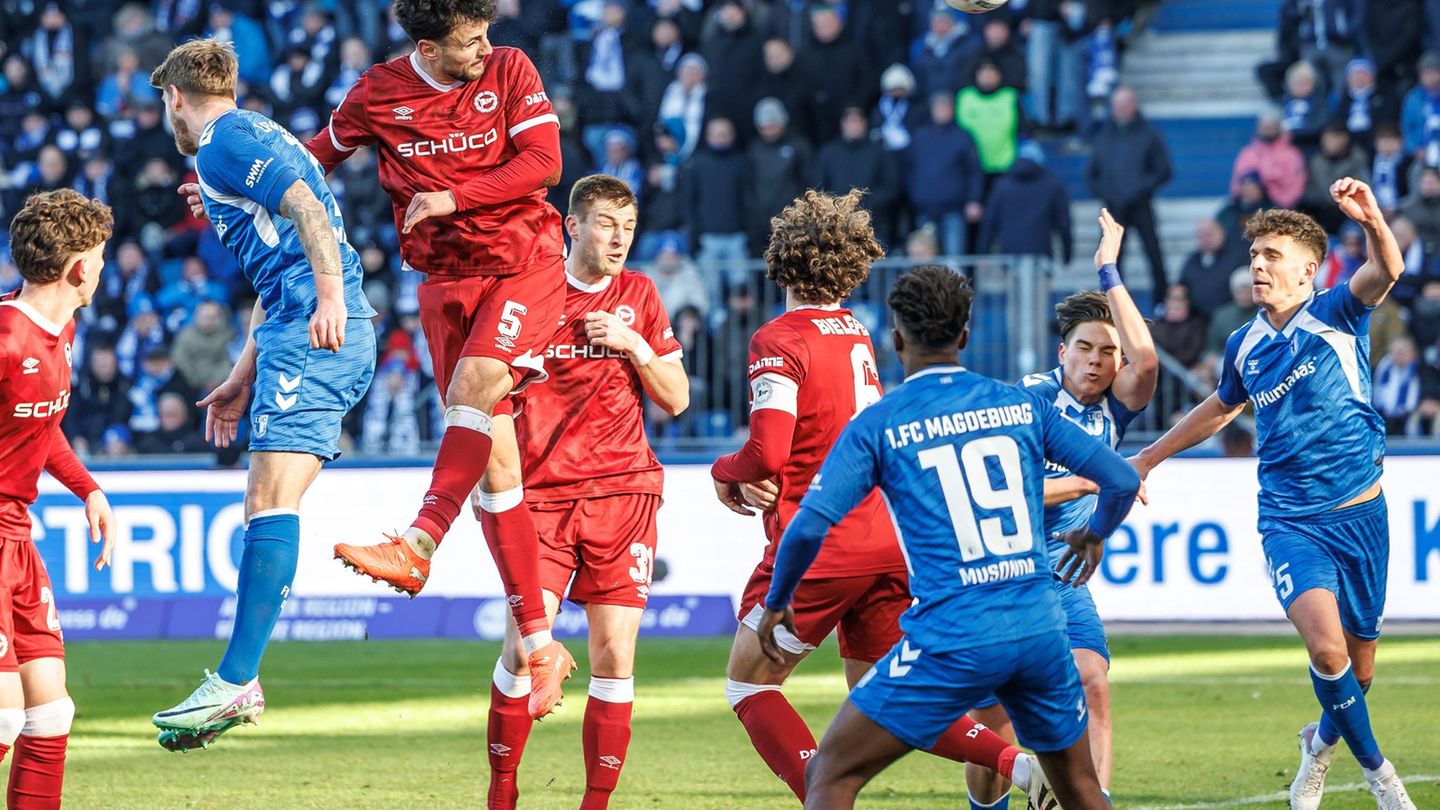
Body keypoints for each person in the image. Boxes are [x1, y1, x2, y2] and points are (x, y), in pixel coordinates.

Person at [754, 265, 1141, 810]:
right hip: (1039, 629)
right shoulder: (1020, 404)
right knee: (1081, 789)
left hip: (955, 634)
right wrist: (1095, 534)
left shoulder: (880, 422)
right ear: (964, 335)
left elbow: (810, 525)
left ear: (895, 339)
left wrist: (777, 600)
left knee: (829, 775)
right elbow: (1122, 478)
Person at [709, 190, 1049, 806]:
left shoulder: (778, 339)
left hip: (823, 543)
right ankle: (1015, 764)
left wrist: (723, 469)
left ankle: (823, 795)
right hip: (886, 536)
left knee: (749, 686)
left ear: (781, 260)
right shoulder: (857, 333)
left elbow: (769, 453)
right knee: (881, 692)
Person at [303, 0, 578, 719]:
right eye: (469, 41)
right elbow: (314, 159)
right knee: (497, 473)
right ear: (428, 48)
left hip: (523, 261)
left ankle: (419, 542)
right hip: (444, 281)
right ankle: (541, 644)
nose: (485, 48)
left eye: (485, 35)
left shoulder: (511, 69)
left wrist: (454, 196)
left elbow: (544, 163)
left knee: (473, 388)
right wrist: (230, 192)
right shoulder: (378, 92)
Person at [1130, 179, 1418, 809]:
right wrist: (1149, 457)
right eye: (1254, 254)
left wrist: (1372, 219)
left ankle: (1318, 748)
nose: (1258, 266)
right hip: (1290, 519)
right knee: (1327, 651)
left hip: (1362, 514)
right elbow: (1220, 407)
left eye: (1272, 256)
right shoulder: (1244, 343)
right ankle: (1383, 780)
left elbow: (1388, 269)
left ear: (1308, 270)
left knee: (1359, 672)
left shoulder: (1338, 311)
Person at [146, 39, 379, 751]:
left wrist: (330, 298)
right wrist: (244, 372)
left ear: (176, 97)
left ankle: (238, 679)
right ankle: (236, 678)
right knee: (264, 499)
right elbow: (275, 268)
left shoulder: (222, 141)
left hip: (317, 326)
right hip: (294, 326)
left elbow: (306, 207)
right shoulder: (254, 138)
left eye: (164, 103)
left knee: (270, 499)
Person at [486, 175, 689, 810]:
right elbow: (483, 386)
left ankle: (595, 804)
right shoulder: (530, 293)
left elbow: (678, 398)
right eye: (605, 224)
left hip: (623, 494)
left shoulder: (640, 295)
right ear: (572, 226)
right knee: (524, 649)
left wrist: (634, 346)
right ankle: (502, 792)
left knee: (614, 653)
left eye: (628, 227)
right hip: (541, 499)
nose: (619, 238)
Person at [966, 210, 1158, 807]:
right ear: (1062, 351)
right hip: (1002, 574)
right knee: (996, 721)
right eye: (1084, 348)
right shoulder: (1031, 399)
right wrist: (1090, 482)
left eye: (1108, 352)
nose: (1096, 361)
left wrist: (1109, 270)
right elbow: (1008, 492)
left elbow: (1149, 362)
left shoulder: (1114, 408)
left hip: (1064, 576)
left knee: (1092, 682)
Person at [0, 189, 117, 809]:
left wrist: (87, 488)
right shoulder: (4, 338)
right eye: (98, 258)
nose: (102, 269)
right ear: (77, 269)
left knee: (49, 716)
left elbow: (39, 424)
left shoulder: (61, 329)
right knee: (3, 717)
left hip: (16, 541)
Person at [1087, 86, 1172, 298]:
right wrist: (1110, 194)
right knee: (1110, 259)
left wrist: (1138, 190)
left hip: (1140, 204)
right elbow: (1091, 175)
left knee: (1154, 257)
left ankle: (1162, 302)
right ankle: (1109, 302)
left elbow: (1163, 170)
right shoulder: (1103, 136)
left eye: (1125, 104)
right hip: (1113, 209)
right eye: (1117, 105)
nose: (1121, 109)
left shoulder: (1149, 134)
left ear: (1134, 105)